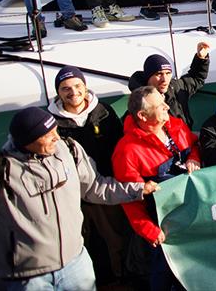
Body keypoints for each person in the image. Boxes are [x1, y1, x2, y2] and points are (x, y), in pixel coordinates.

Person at [0, 108, 155, 288]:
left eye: (55, 130)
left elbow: (95, 187)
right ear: (27, 141)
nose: (56, 137)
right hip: (31, 279)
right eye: (48, 135)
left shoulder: (68, 149)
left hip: (77, 265)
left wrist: (137, 190)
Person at [112, 86, 200, 290]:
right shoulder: (127, 151)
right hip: (163, 227)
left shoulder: (176, 125)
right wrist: (149, 230)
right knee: (165, 276)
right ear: (142, 115)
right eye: (160, 106)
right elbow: (129, 198)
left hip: (192, 217)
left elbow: (194, 145)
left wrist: (194, 158)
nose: (167, 107)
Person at [48, 65, 129, 284]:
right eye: (65, 88)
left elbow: (121, 147)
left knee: (116, 238)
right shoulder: (50, 121)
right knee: (81, 243)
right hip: (71, 196)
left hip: (105, 189)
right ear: (58, 92)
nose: (73, 92)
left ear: (85, 87)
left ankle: (120, 280)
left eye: (77, 86)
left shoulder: (103, 112)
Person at [128, 42, 211, 129]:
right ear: (148, 77)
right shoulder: (138, 104)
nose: (164, 79)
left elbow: (196, 78)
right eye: (159, 74)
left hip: (185, 139)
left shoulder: (175, 87)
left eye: (168, 73)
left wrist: (201, 58)